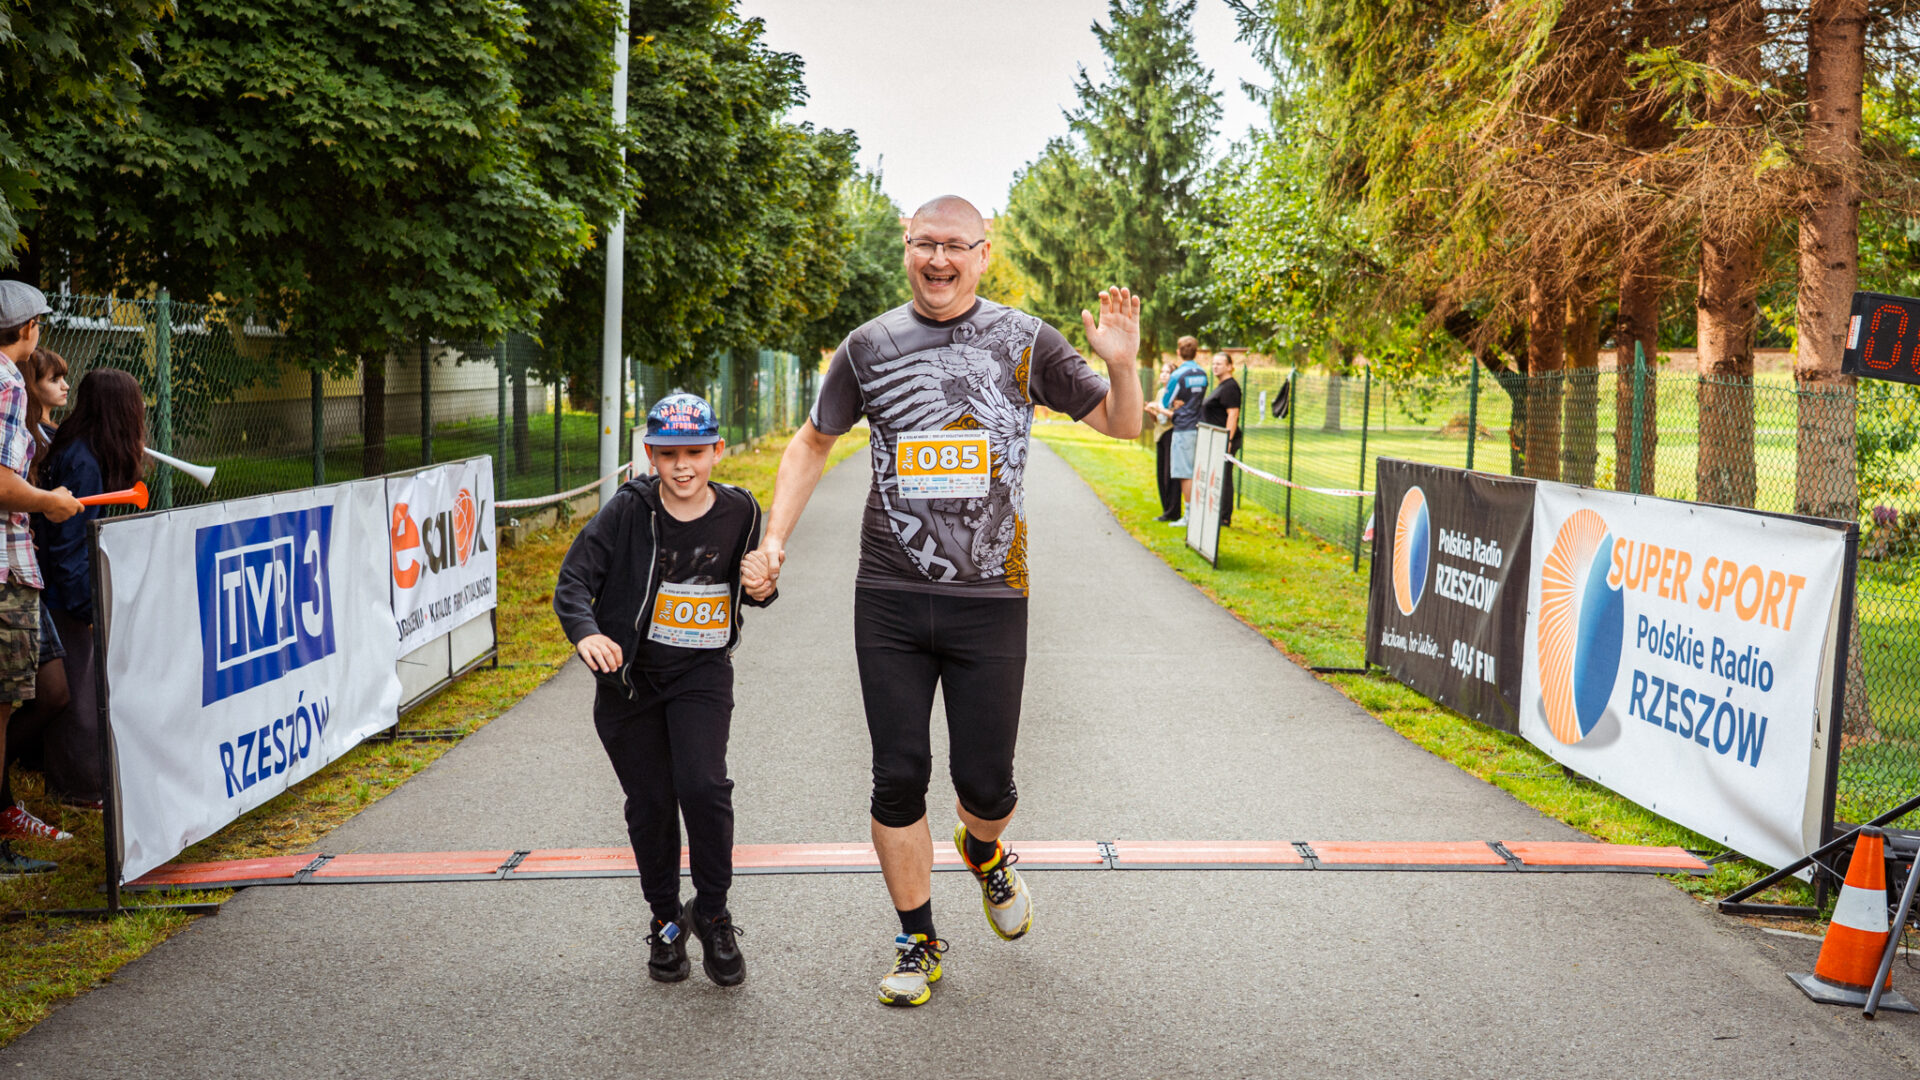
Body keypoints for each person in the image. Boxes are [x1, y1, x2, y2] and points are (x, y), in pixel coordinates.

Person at [741, 195, 1142, 1008]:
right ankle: (917, 938)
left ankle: (985, 851)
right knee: (897, 776)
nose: (939, 259)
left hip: (990, 599)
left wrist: (1124, 365)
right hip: (889, 595)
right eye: (926, 243)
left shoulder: (1026, 341)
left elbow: (1122, 426)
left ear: (983, 254)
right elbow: (813, 442)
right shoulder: (869, 346)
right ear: (907, 247)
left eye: (956, 246)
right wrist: (775, 537)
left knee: (987, 787)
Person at [553, 393, 777, 988]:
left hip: (701, 674)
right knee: (651, 804)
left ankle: (713, 913)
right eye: (670, 454)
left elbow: (750, 586)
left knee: (703, 786)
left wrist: (763, 586)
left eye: (695, 453)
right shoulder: (628, 511)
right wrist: (587, 633)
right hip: (631, 683)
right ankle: (665, 921)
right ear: (650, 455)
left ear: (717, 451)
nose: (683, 466)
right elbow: (573, 581)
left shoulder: (741, 511)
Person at [32, 366, 143, 813]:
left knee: (81, 688)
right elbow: (68, 545)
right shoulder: (84, 460)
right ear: (120, 409)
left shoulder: (83, 450)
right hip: (65, 595)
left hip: (67, 590)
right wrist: (86, 607)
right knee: (78, 694)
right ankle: (77, 791)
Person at [0, 283, 83, 878]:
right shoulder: (7, 381)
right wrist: (48, 501)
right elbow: (2, 484)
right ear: (29, 327)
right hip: (4, 567)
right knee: (2, 708)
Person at [1146, 337, 1209, 526]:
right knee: (1196, 471)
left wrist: (1171, 404)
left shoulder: (1178, 375)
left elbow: (1165, 403)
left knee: (1185, 473)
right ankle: (1196, 512)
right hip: (1199, 425)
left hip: (1183, 428)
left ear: (1179, 352)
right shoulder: (1202, 373)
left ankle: (1189, 516)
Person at [1200, 350, 1243, 527]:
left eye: (1219, 364)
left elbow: (1233, 414)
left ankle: (1224, 517)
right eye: (1213, 363)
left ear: (1230, 367)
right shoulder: (1221, 386)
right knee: (1217, 476)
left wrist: (1228, 440)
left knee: (1224, 478)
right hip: (1214, 438)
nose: (1215, 366)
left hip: (1224, 440)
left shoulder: (1230, 387)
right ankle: (1215, 511)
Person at [1151, 358, 1179, 521]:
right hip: (1159, 434)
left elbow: (1176, 415)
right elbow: (1157, 418)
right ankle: (1165, 509)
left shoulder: (1176, 393)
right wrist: (1151, 411)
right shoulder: (1161, 392)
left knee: (1170, 474)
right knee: (1161, 474)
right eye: (1162, 371)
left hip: (1170, 433)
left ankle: (1173, 511)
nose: (1163, 375)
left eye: (1167, 372)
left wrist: (1159, 409)